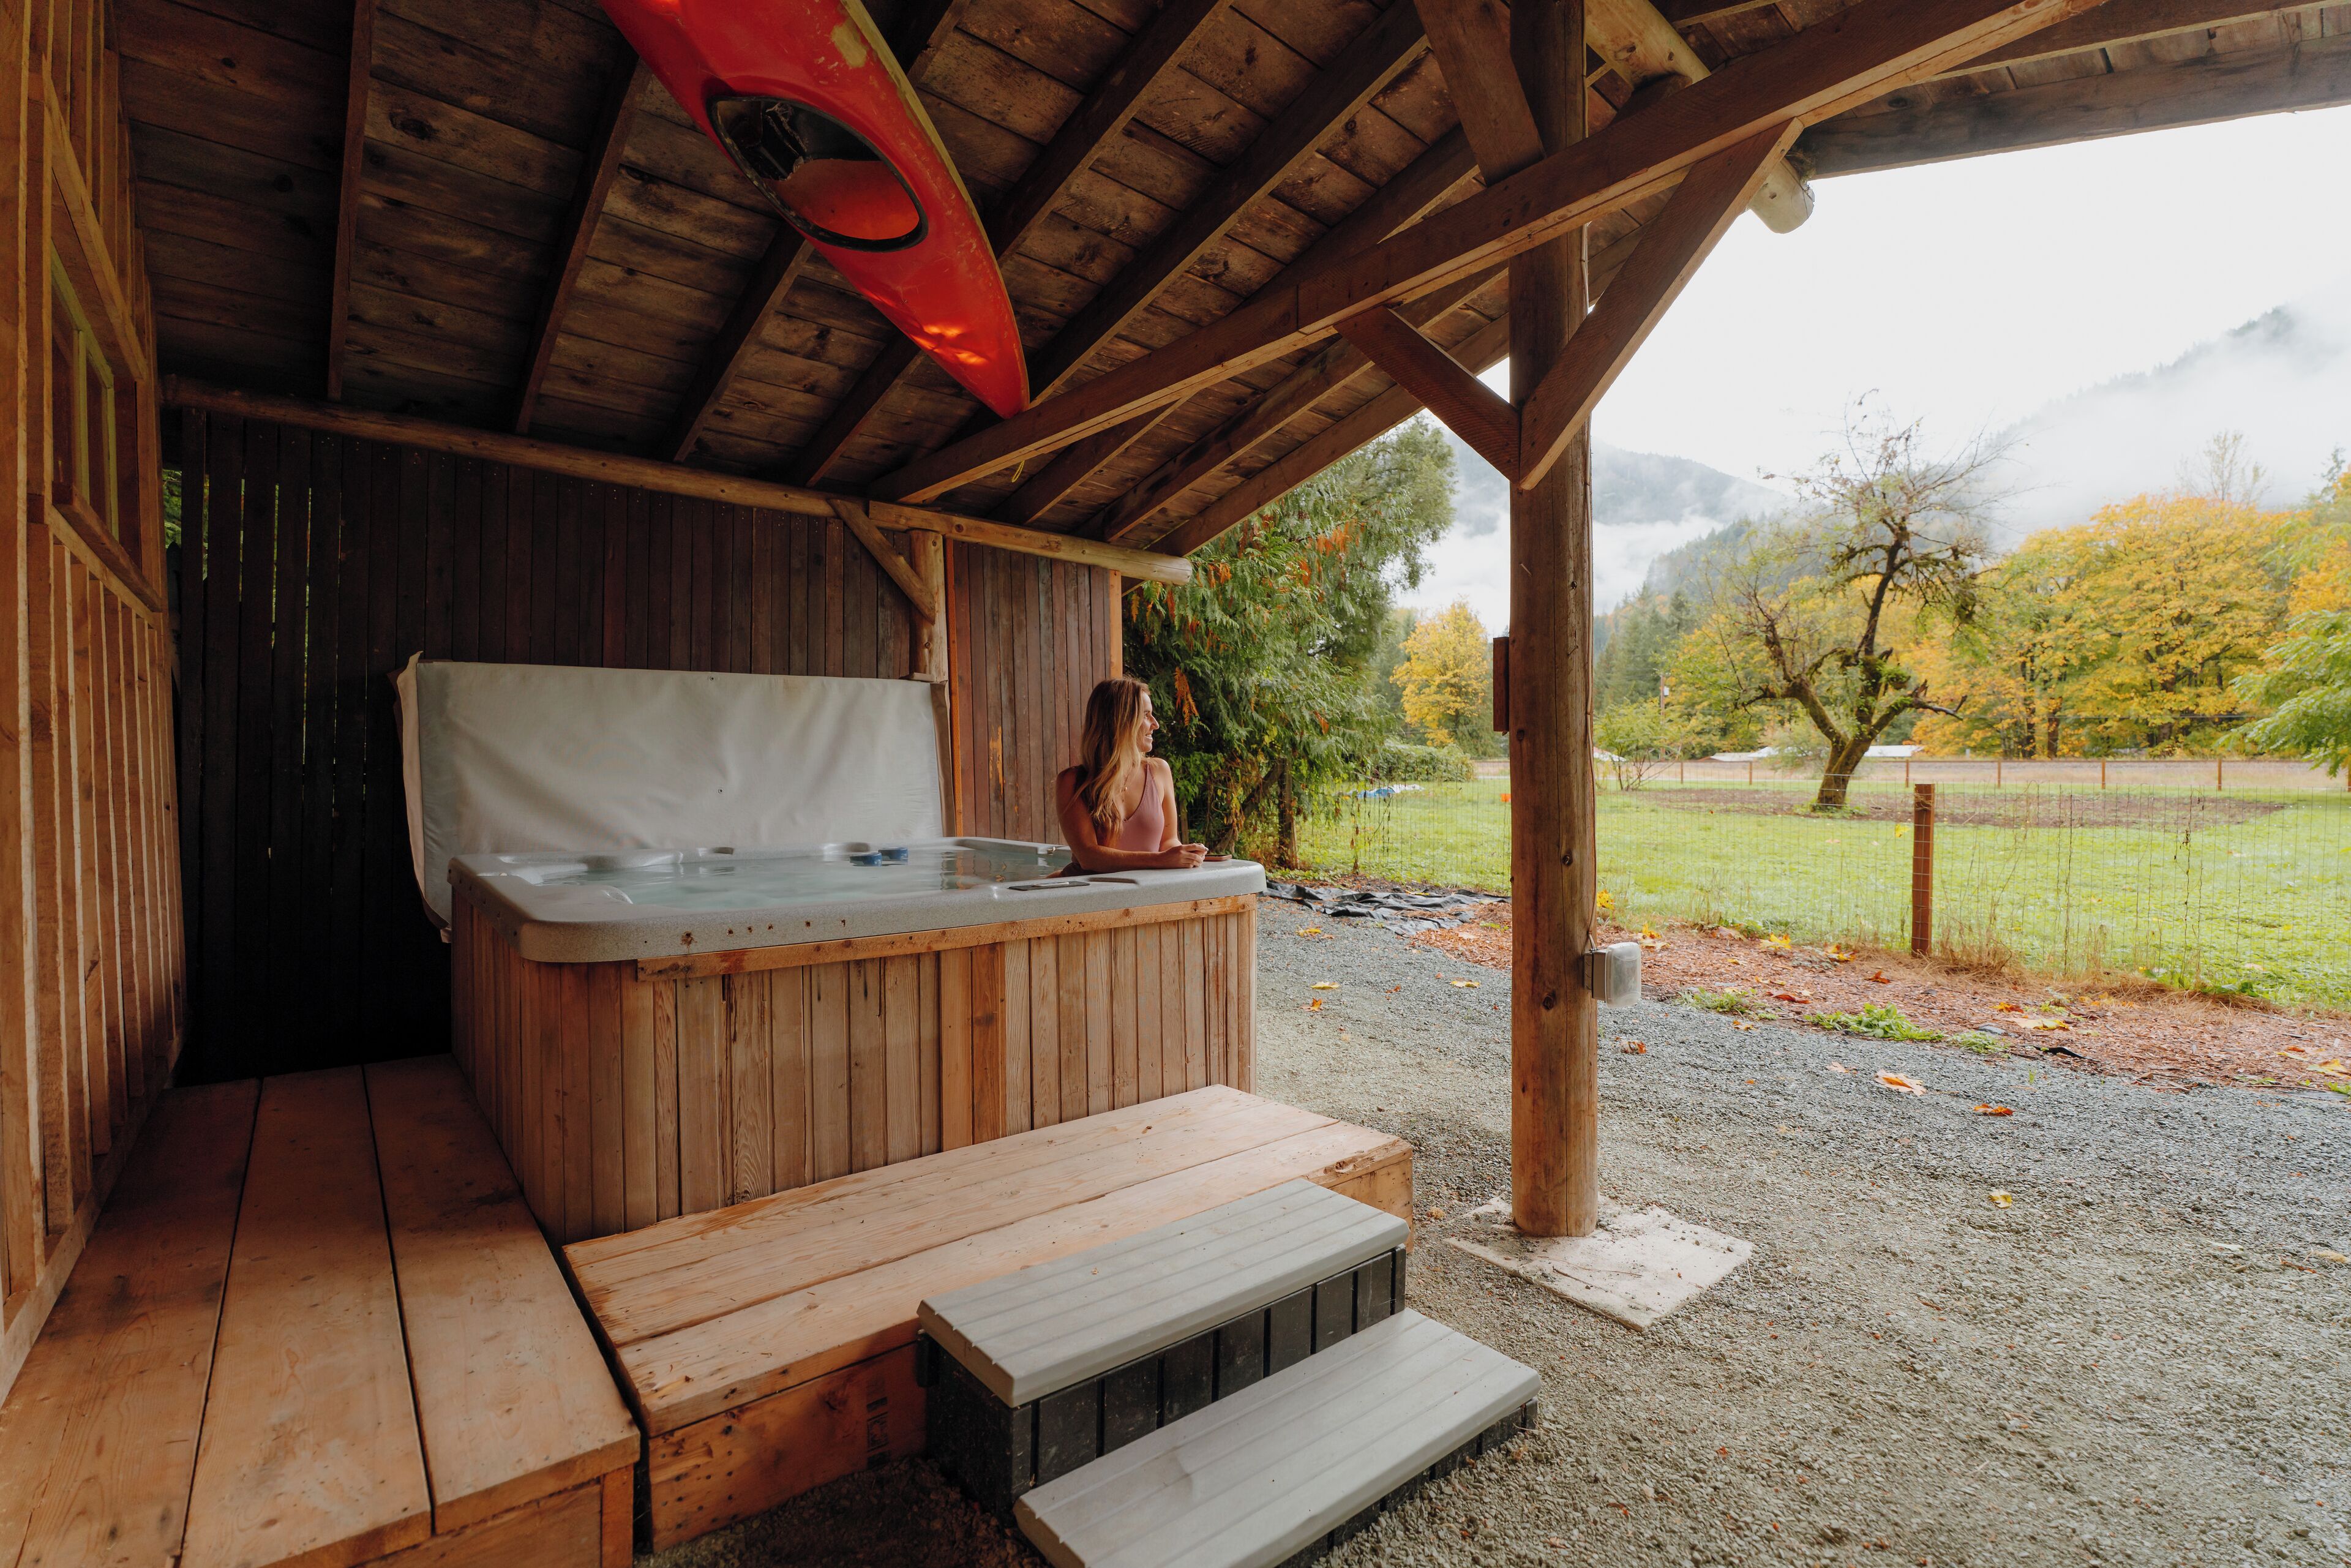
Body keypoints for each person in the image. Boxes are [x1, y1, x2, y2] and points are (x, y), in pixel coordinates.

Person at [1056, 677, 1211, 872]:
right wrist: (1160, 860)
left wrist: (1184, 854)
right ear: (1120, 720)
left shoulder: (1159, 771)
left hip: (1144, 893)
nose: (1156, 724)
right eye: (1146, 715)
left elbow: (1168, 841)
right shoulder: (1073, 781)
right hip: (1089, 896)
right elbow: (1088, 857)